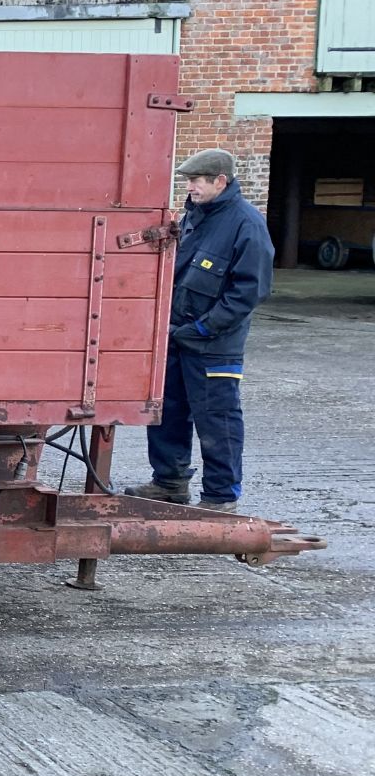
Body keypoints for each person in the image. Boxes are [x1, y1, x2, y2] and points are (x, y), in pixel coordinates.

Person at [127, 148, 274, 513]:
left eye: (196, 180)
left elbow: (248, 293)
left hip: (214, 345)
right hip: (178, 337)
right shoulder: (196, 215)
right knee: (168, 413)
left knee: (217, 421)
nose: (189, 186)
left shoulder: (247, 225)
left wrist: (204, 328)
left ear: (220, 181)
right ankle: (170, 484)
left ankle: (220, 497)